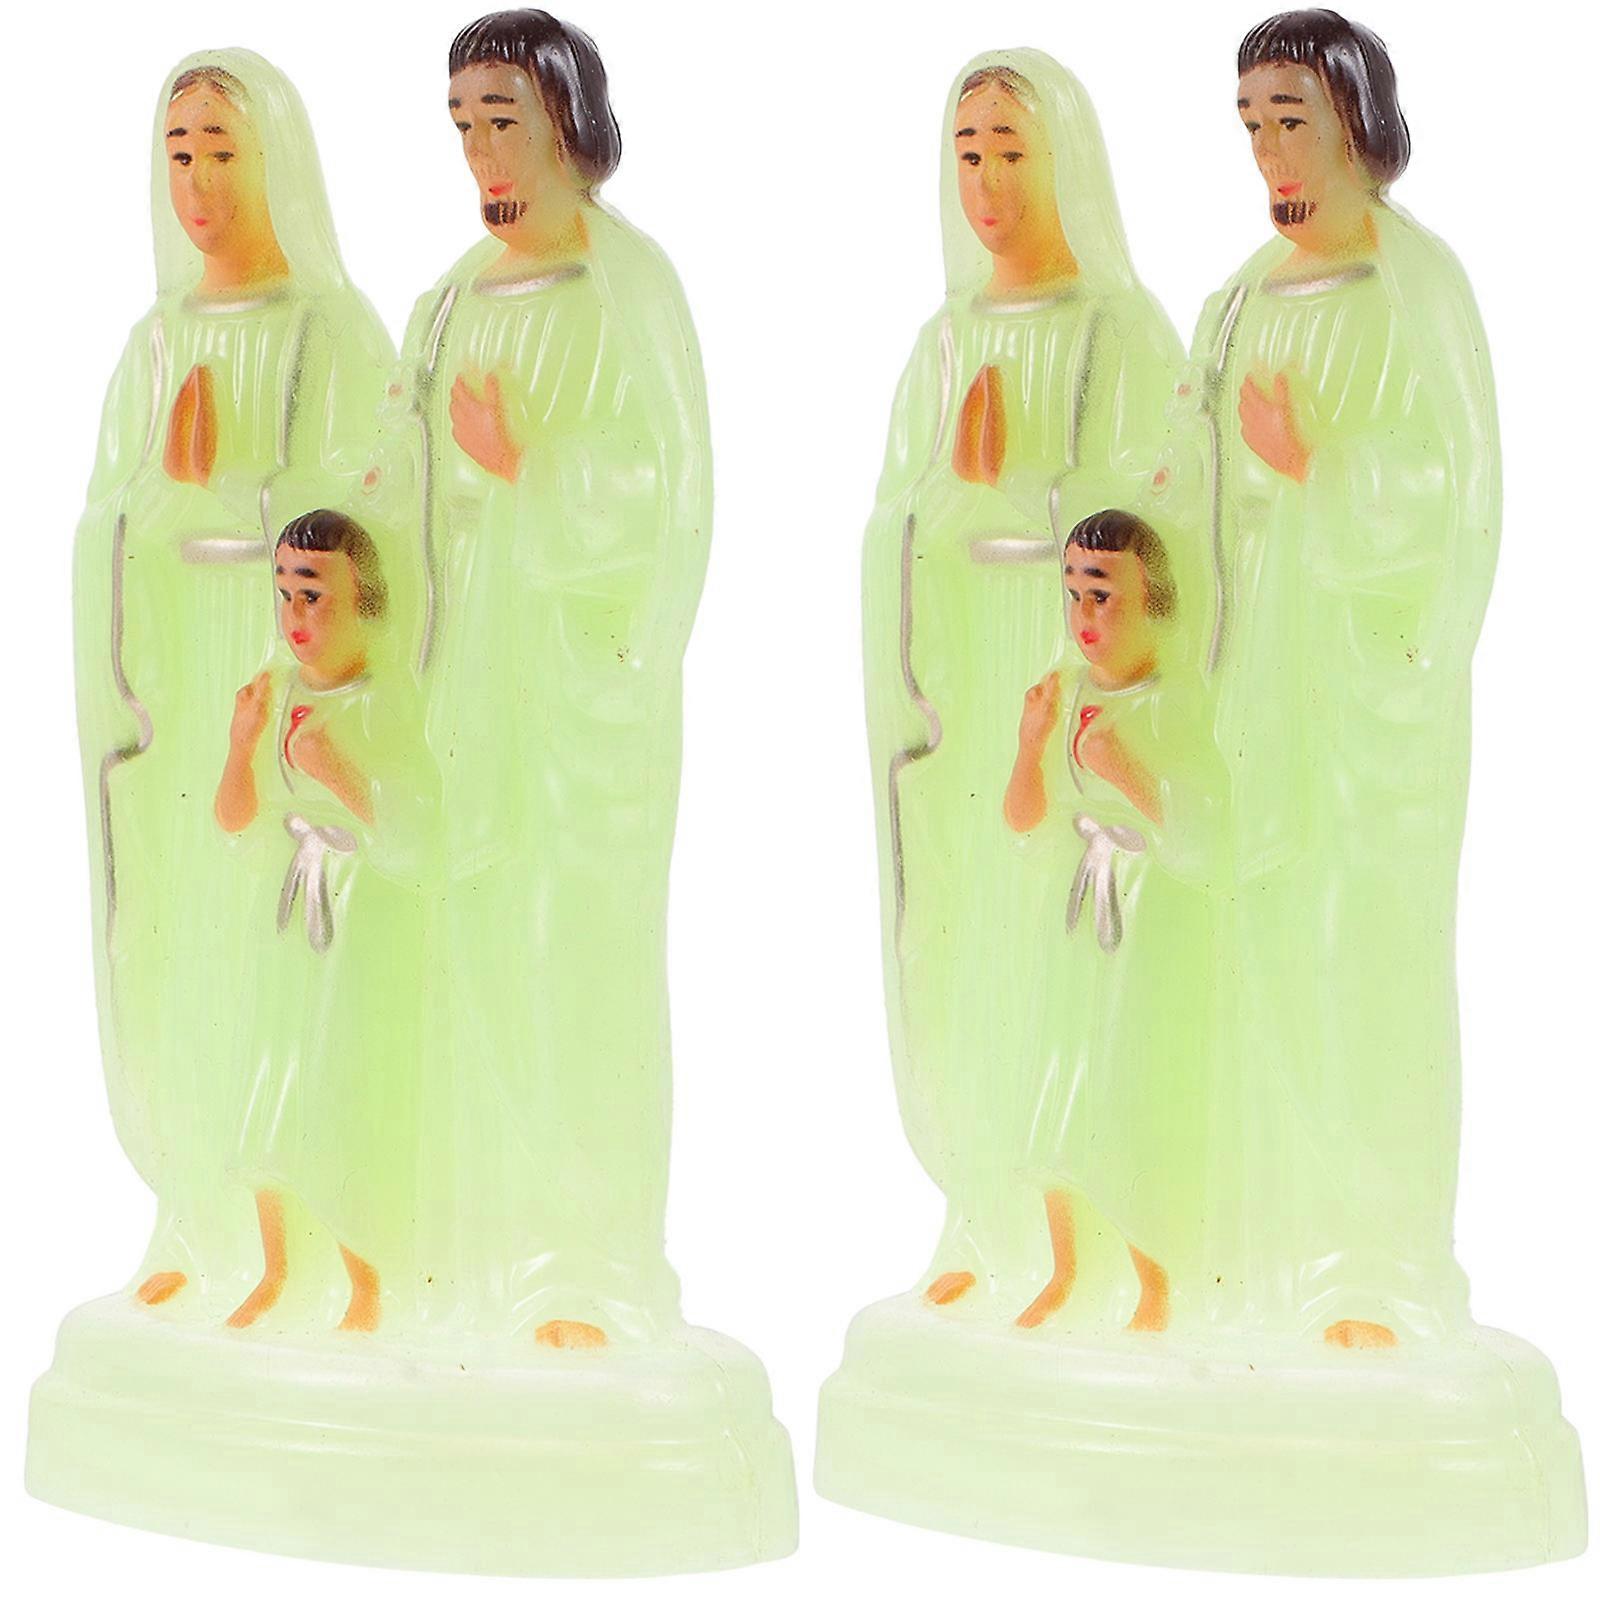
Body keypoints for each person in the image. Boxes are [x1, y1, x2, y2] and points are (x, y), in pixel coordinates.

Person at [1176, 9, 1498, 1344]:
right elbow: (1183, 476)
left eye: (1291, 119)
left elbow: (1454, 487)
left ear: (1357, 126)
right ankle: (1259, 1251)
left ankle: (1376, 1263)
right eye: (1251, 122)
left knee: (1358, 956)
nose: (1267, 150)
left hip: (1362, 703)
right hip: (1251, 690)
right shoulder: (1237, 303)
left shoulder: (1415, 289)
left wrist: (1318, 467)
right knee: (1251, 956)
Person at [395, 10, 710, 1346]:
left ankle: (584, 1262)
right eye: (463, 123)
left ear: (568, 125)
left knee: (568, 958)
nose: (481, 150)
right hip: (462, 689)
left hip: (576, 704)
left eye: (505, 120)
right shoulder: (447, 303)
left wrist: (527, 466)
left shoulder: (624, 288)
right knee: (462, 956)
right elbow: (392, 478)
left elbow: (668, 489)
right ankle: (470, 1249)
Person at [72, 52, 395, 1312]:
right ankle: (200, 1217)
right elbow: (104, 519)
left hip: (281, 693)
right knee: (181, 949)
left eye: (222, 153)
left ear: (274, 165)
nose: (200, 185)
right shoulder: (155, 345)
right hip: (177, 698)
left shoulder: (329, 335)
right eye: (180, 156)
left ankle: (322, 1239)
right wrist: (153, 505)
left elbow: (372, 518)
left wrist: (244, 498)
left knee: (290, 968)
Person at [861, 49, 1182, 1313]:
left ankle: (1105, 1235)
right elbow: (891, 518)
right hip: (965, 690)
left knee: (1074, 955)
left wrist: (1028, 492)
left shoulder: (1120, 335)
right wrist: (945, 499)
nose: (987, 185)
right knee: (968, 946)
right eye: (968, 156)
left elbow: (1160, 519)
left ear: (1064, 166)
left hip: (1068, 684)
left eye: (1011, 153)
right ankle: (990, 1216)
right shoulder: (944, 345)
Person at [215, 512, 436, 1334]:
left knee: (345, 1084)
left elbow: (417, 834)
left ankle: (368, 1280)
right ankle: (277, 1270)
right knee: (271, 1075)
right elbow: (235, 819)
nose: (295, 617)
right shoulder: (276, 696)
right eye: (284, 595)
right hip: (286, 913)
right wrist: (243, 745)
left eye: (314, 596)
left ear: (364, 600)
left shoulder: (384, 703)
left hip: (358, 913)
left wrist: (336, 770)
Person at [1004, 510, 1224, 1332]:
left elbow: (1204, 836)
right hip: (1075, 911)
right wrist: (1032, 744)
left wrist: (1124, 770)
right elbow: (1024, 819)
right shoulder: (1066, 697)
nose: (1084, 618)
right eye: (1073, 596)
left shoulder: (1172, 704)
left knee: (1133, 1083)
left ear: (1153, 600)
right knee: (1060, 1073)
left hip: (1145, 913)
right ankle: (1066, 1271)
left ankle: (1156, 1280)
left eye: (1103, 596)